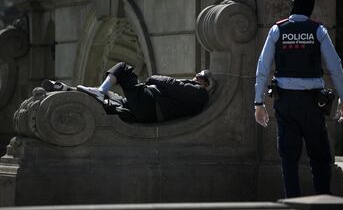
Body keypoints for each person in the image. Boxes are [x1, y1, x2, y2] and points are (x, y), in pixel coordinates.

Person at [254, 0, 343, 198]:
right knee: (320, 157)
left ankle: (292, 203)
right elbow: (335, 66)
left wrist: (258, 102)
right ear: (311, 9)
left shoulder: (277, 30)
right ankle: (324, 202)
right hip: (313, 103)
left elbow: (262, 68)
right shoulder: (318, 31)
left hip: (285, 102)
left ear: (293, 6)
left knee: (288, 158)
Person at [43, 62, 216, 123]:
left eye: (200, 77)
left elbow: (171, 84)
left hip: (150, 104)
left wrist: (153, 78)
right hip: (147, 108)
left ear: (207, 84)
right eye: (197, 75)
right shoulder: (196, 96)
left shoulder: (200, 94)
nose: (195, 77)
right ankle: (68, 91)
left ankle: (101, 91)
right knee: (110, 102)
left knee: (123, 68)